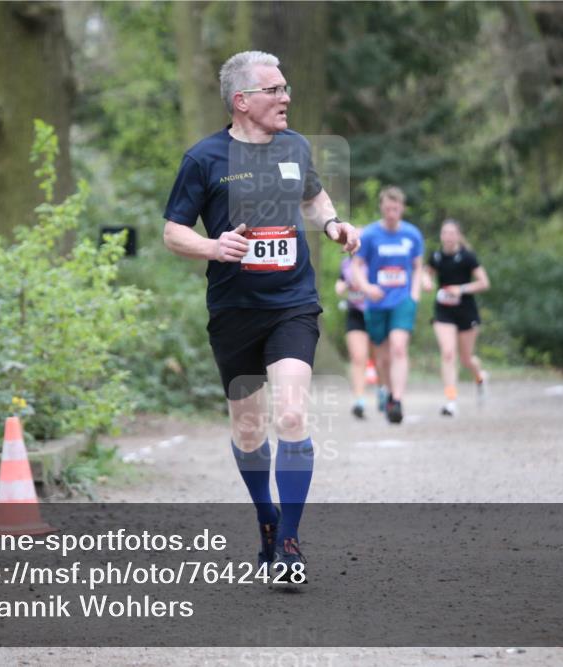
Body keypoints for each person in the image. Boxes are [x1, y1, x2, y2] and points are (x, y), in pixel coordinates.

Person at [162, 51, 359, 582]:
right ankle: (266, 521)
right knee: (249, 429)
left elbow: (314, 199)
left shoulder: (295, 147)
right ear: (241, 101)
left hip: (292, 303)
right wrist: (212, 246)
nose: (285, 97)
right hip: (233, 310)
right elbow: (173, 231)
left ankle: (290, 544)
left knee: (292, 416)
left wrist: (335, 224)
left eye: (286, 87)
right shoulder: (203, 159)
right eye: (273, 90)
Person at [351, 186, 430, 424]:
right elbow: (356, 266)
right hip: (376, 302)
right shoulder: (371, 235)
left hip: (402, 300)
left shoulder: (412, 235)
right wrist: (366, 288)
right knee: (383, 358)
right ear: (382, 209)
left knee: (398, 347)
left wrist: (414, 294)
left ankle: (397, 400)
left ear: (402, 209)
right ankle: (385, 389)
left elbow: (418, 266)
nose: (391, 213)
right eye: (387, 208)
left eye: (395, 209)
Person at [425, 219, 490, 417]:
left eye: (453, 233)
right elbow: (425, 273)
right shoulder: (436, 256)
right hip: (443, 311)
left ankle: (480, 378)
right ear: (441, 236)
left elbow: (484, 283)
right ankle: (451, 400)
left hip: (466, 311)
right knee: (447, 353)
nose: (449, 237)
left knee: (466, 358)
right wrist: (425, 281)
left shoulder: (468, 257)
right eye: (445, 233)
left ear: (459, 236)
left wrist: (460, 289)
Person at [335, 253, 371, 419]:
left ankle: (385, 391)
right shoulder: (346, 263)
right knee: (358, 357)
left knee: (381, 359)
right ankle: (359, 400)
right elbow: (340, 282)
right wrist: (341, 286)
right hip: (355, 313)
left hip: (376, 312)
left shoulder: (374, 260)